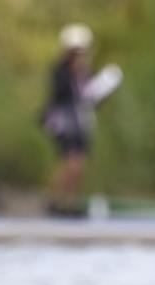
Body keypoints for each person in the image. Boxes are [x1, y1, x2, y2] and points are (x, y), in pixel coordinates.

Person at [41, 23, 118, 217]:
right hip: (65, 123)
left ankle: (71, 204)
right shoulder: (60, 70)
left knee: (79, 166)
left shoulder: (85, 72)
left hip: (82, 122)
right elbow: (59, 94)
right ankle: (53, 200)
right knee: (70, 163)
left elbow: (89, 98)